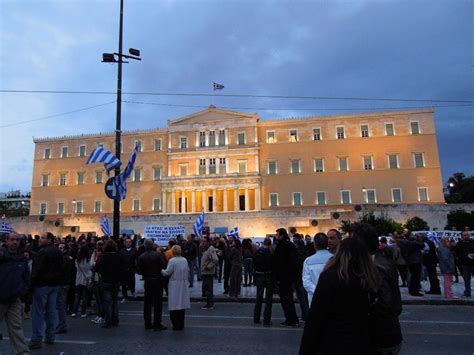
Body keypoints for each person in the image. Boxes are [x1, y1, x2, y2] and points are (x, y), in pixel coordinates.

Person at [299, 237, 379, 355]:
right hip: (361, 342)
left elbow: (315, 318)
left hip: (333, 341)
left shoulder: (331, 276)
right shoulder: (370, 279)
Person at [351, 223, 403, 355]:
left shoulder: (375, 267)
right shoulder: (383, 260)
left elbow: (383, 303)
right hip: (388, 332)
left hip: (380, 336)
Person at [29, 232, 64, 349]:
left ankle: (36, 339)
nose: (40, 239)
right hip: (54, 284)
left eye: (43, 238)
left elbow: (37, 270)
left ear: (50, 240)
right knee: (51, 310)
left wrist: (31, 284)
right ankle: (50, 336)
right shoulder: (58, 252)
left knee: (38, 312)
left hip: (42, 284)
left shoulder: (42, 252)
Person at [0, 232, 30, 354]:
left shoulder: (22, 258)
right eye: (12, 240)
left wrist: (22, 290)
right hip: (0, 297)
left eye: (17, 240)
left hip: (14, 298)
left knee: (16, 327)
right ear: (6, 241)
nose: (15, 242)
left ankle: (22, 352)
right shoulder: (1, 256)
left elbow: (26, 276)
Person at [137, 239, 167, 331]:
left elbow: (139, 270)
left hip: (148, 280)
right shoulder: (158, 255)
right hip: (157, 280)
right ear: (153, 246)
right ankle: (157, 323)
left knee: (147, 303)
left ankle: (148, 323)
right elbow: (164, 266)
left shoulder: (142, 256)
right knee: (157, 303)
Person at [95, 240, 124, 329]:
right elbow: (123, 267)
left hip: (106, 281)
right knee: (115, 301)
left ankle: (108, 321)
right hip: (116, 281)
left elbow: (97, 268)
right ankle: (115, 320)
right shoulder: (119, 256)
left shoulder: (104, 257)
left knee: (107, 302)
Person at [161, 245, 191, 330]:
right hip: (183, 283)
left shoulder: (172, 261)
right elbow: (188, 270)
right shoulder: (184, 260)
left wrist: (161, 270)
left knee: (174, 304)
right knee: (181, 304)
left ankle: (175, 324)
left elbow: (167, 272)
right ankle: (181, 323)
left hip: (175, 284)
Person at [274, 228, 299, 327]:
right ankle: (293, 319)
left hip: (283, 277)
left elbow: (278, 262)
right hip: (290, 277)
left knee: (285, 299)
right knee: (289, 299)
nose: (276, 236)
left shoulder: (281, 247)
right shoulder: (291, 246)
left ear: (281, 236)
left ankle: (290, 320)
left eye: (277, 235)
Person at [302, 233, 332, 304]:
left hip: (314, 299)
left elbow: (306, 282)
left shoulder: (308, 261)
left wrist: (318, 291)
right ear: (327, 243)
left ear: (314, 244)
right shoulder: (335, 259)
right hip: (332, 297)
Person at [253, 237, 274, 326]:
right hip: (268, 275)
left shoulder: (257, 252)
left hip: (259, 275)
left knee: (259, 298)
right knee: (268, 299)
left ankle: (256, 318)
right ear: (269, 244)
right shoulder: (271, 253)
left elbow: (254, 264)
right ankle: (267, 320)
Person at [56, 242, 73, 333]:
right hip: (64, 283)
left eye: (62, 248)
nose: (60, 249)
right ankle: (61, 324)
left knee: (60, 306)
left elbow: (61, 271)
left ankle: (62, 325)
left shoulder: (64, 259)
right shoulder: (67, 258)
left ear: (66, 249)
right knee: (60, 305)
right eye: (59, 247)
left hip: (62, 284)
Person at [401, 231, 424, 296]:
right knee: (416, 277)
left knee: (412, 276)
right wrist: (418, 239)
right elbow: (422, 245)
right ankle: (415, 291)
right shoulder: (413, 243)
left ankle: (412, 290)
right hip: (415, 261)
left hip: (410, 261)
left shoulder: (405, 243)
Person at [72, 245, 92, 318]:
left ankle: (74, 312)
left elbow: (76, 267)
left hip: (78, 278)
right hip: (86, 279)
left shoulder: (77, 260)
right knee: (85, 297)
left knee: (78, 296)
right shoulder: (88, 260)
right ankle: (83, 312)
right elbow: (90, 267)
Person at [454, 231, 474, 297]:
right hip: (464, 264)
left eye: (467, 235)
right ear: (462, 236)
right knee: (466, 279)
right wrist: (464, 256)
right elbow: (456, 254)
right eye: (465, 235)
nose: (466, 236)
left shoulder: (472, 242)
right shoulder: (459, 244)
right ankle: (467, 291)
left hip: (472, 263)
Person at [200, 236, 218, 309]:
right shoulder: (206, 250)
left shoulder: (210, 249)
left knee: (208, 289)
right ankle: (209, 303)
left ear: (208, 242)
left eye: (204, 242)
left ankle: (209, 304)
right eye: (202, 242)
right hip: (205, 272)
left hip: (208, 272)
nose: (203, 243)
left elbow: (215, 259)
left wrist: (209, 266)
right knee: (206, 288)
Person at [119, 237, 138, 302]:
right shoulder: (121, 251)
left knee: (132, 282)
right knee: (124, 284)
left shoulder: (134, 250)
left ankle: (133, 292)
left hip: (131, 269)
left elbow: (136, 260)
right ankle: (125, 296)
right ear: (124, 243)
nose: (128, 243)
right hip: (123, 269)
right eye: (127, 242)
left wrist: (135, 268)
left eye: (129, 242)